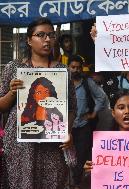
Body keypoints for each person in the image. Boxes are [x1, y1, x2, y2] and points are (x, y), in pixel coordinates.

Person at [0, 18, 76, 188]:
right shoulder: (14, 67)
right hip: (20, 146)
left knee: (52, 182)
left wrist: (68, 131)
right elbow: (2, 106)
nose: (47, 39)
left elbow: (71, 108)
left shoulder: (62, 70)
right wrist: (12, 92)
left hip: (52, 146)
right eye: (40, 35)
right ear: (29, 40)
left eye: (51, 35)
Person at [68, 54, 109, 188]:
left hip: (82, 126)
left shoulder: (87, 82)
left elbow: (101, 97)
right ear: (68, 67)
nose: (76, 70)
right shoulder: (62, 81)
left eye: (78, 67)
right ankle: (67, 182)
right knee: (65, 158)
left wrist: (93, 113)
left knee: (81, 157)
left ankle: (78, 184)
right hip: (65, 127)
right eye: (73, 67)